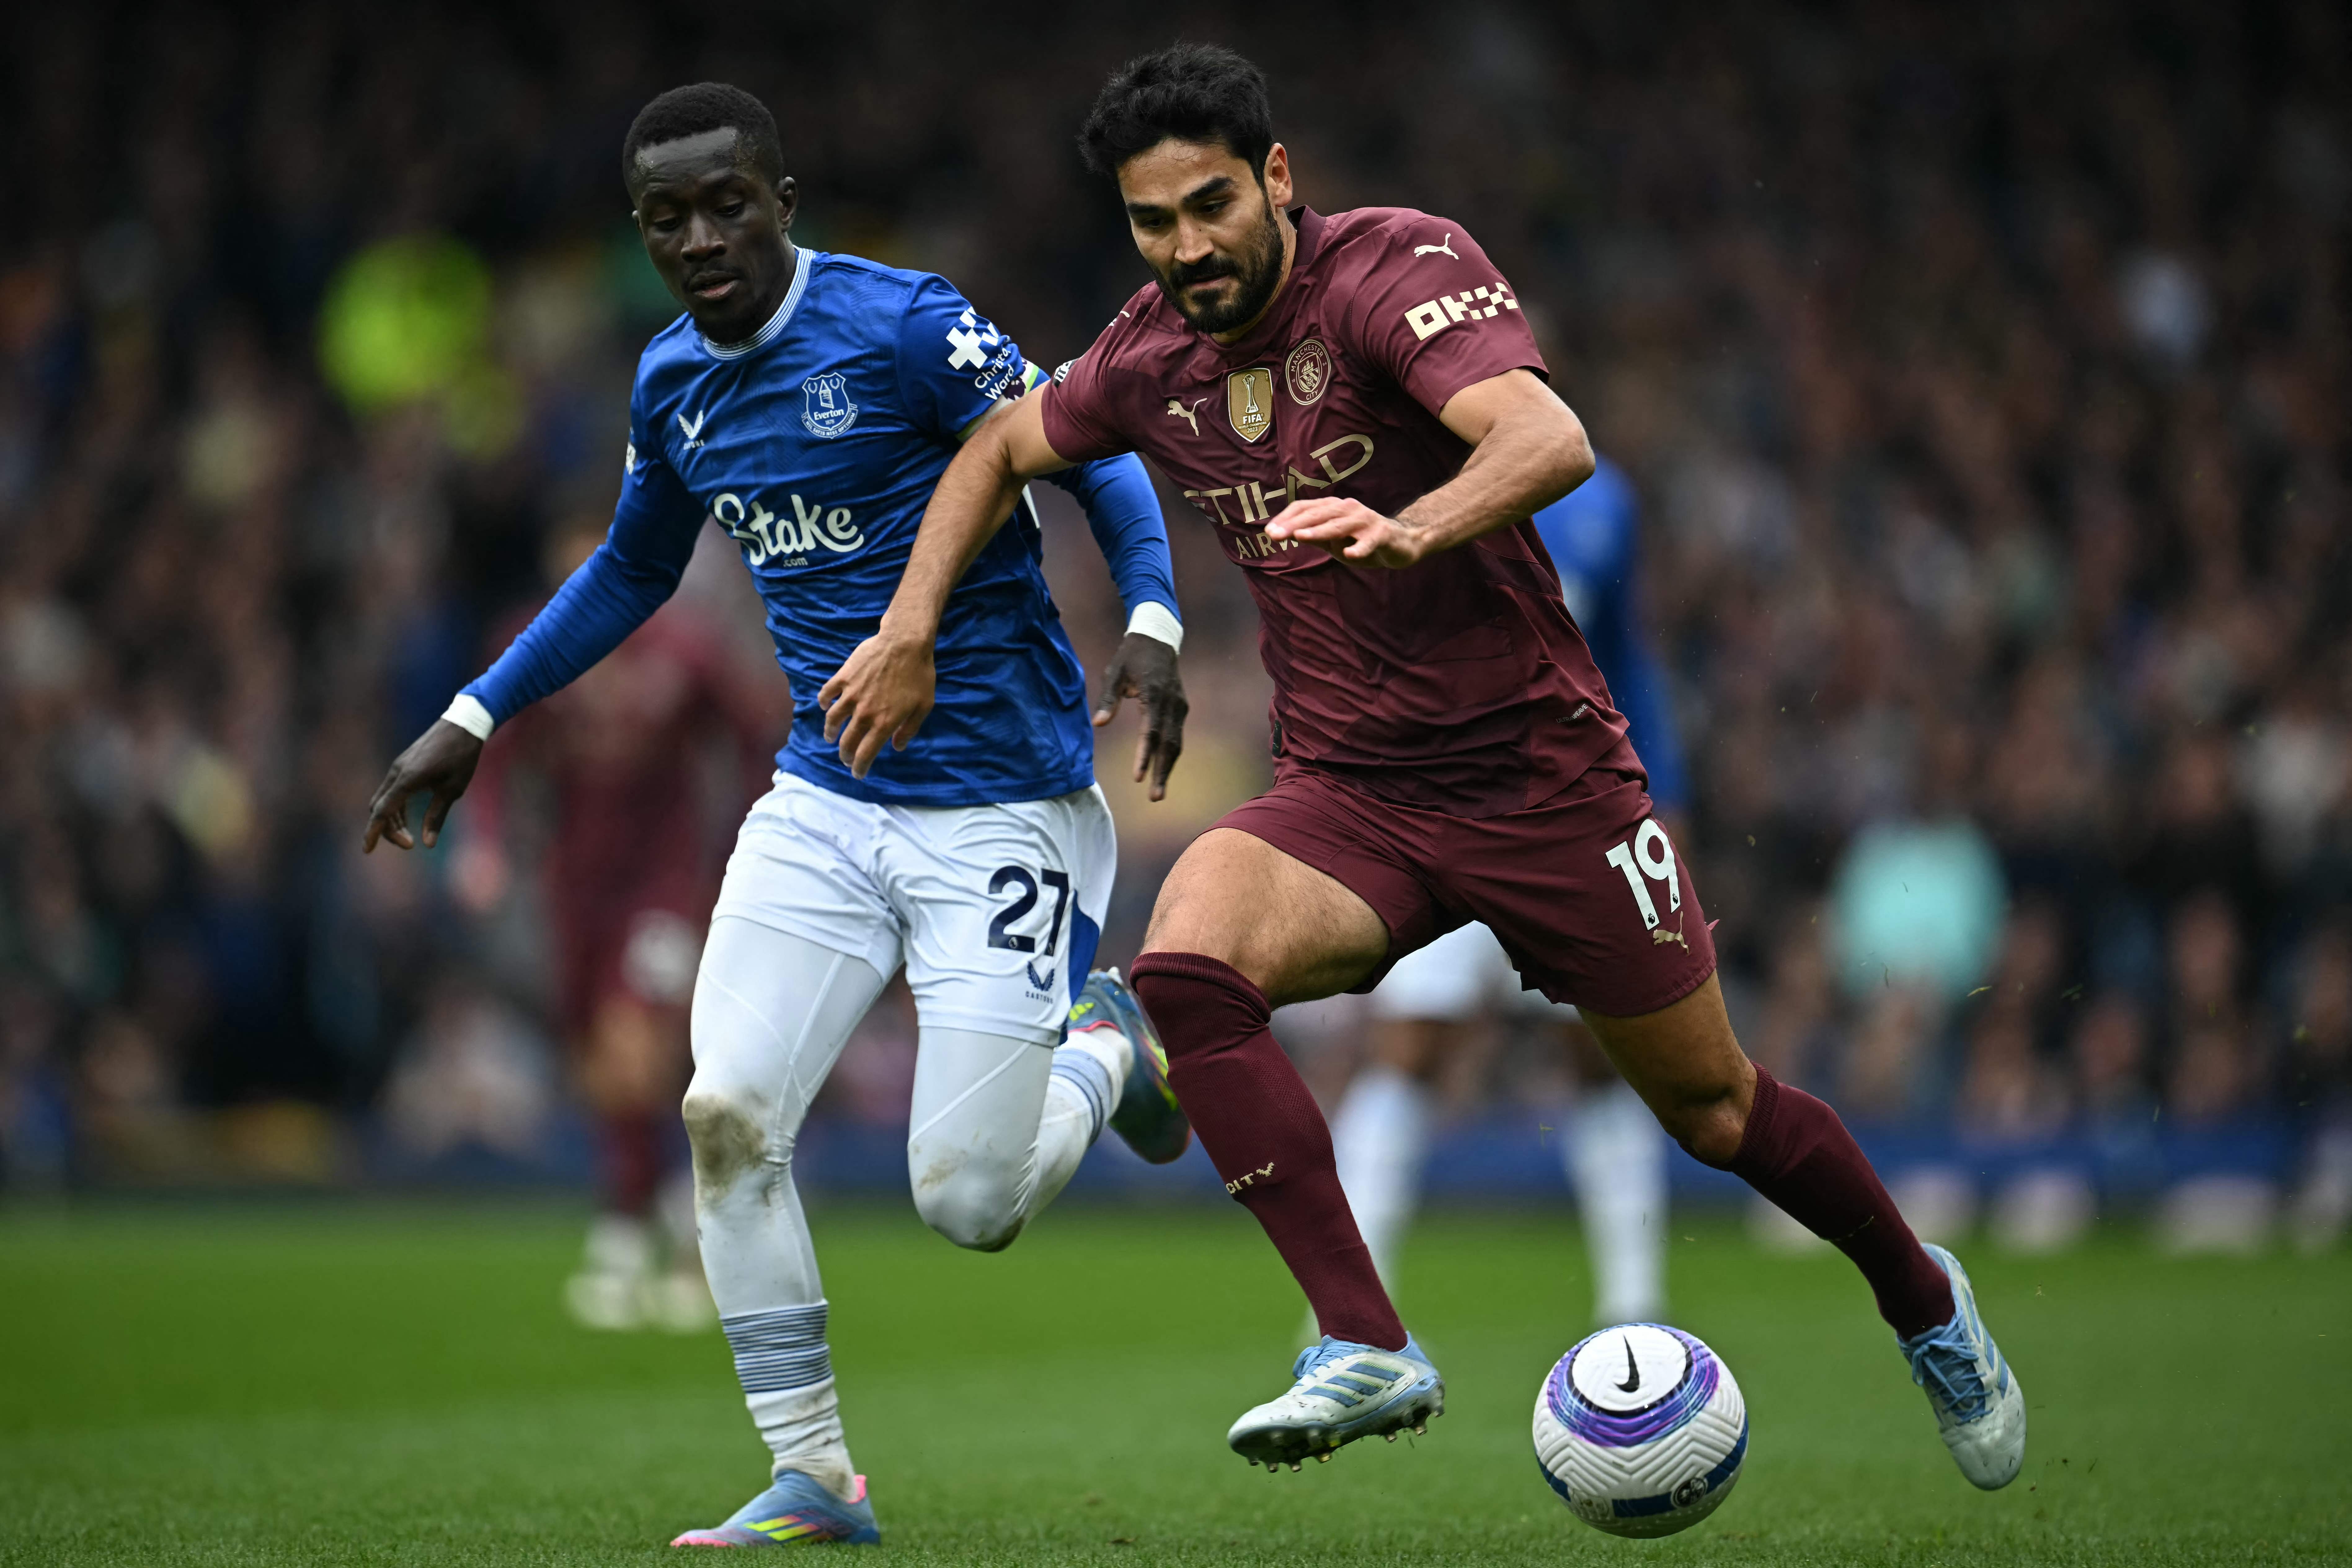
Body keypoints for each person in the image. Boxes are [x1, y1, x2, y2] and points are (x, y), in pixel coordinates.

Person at [821, 44, 2026, 1493]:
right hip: (1352, 793)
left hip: (1543, 780)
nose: (1188, 247)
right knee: (1185, 965)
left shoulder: (1396, 268)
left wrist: (1412, 526)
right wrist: (908, 628)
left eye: (1211, 204)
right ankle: (1361, 1337)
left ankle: (1925, 1300)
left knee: (1713, 1112)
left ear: (1277, 177)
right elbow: (999, 445)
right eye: (1153, 222)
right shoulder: (1147, 352)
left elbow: (1548, 436)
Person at [362, 82, 1194, 1548]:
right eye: (666, 219)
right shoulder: (673, 380)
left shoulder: (901, 323)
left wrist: (1151, 614)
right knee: (724, 1111)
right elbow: (631, 568)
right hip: (821, 798)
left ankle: (1108, 1043)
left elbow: (1095, 450)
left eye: (724, 204)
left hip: (1001, 803)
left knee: (970, 1202)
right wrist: (476, 714)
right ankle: (813, 1470)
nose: (699, 239)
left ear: (782, 198)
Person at [1331, 455, 1684, 1330]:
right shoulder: (1400, 481)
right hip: (1441, 806)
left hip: (1575, 811)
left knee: (1599, 1053)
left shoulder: (1603, 501)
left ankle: (1633, 1300)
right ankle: (1345, 1304)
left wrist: (1664, 801)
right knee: (1410, 1044)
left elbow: (1626, 659)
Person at [457, 520, 781, 1332]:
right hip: (574, 887)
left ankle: (621, 1229)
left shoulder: (687, 650)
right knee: (600, 1058)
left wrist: (755, 837)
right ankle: (681, 1203)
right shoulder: (536, 648)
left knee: (637, 1042)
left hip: (665, 885)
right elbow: (495, 750)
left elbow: (753, 741)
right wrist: (486, 840)